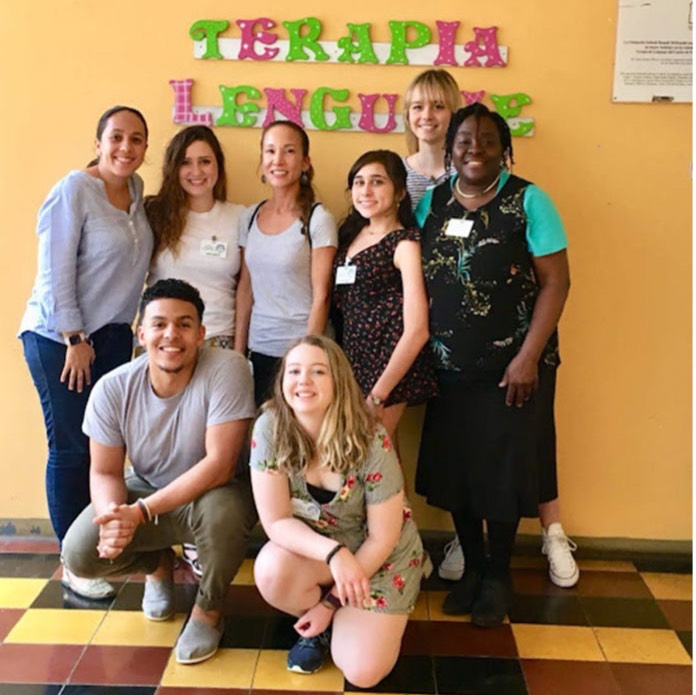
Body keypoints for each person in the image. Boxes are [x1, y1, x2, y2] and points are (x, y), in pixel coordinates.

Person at [415, 103, 572, 626]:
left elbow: (556, 282)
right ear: (450, 147)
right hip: (448, 367)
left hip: (514, 369)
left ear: (503, 147)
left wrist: (528, 356)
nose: (473, 148)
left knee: (503, 474)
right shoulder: (432, 203)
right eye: (463, 140)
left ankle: (499, 576)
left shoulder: (529, 200)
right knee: (459, 471)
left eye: (485, 139)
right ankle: (475, 568)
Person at [61, 279, 257, 664]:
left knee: (224, 514)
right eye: (159, 324)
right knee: (79, 553)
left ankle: (208, 609)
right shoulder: (112, 388)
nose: (172, 334)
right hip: (147, 488)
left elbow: (219, 465)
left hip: (214, 492)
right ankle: (158, 564)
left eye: (184, 324)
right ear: (141, 333)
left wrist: (141, 513)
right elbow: (104, 472)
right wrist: (114, 517)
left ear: (202, 333)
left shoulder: (229, 369)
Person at [19, 106, 154, 600]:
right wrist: (75, 339)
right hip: (61, 339)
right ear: (98, 141)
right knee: (73, 449)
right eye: (116, 138)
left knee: (106, 449)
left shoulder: (137, 192)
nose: (125, 148)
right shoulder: (74, 190)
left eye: (136, 140)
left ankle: (100, 546)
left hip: (114, 337)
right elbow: (54, 273)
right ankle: (73, 561)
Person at [250, 335, 428, 687]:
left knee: (362, 673)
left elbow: (383, 536)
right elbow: (276, 521)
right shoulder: (270, 427)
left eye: (318, 371)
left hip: (381, 556)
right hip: (323, 553)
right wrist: (334, 555)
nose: (304, 381)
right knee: (272, 570)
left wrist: (328, 605)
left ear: (339, 383)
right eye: (294, 371)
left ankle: (338, 611)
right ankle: (321, 627)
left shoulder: (369, 437)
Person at [145, 125, 245, 577]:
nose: (196, 171)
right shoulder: (155, 214)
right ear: (173, 168)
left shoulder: (239, 216)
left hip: (219, 344)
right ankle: (162, 554)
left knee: (210, 455)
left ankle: (199, 539)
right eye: (186, 162)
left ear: (218, 167)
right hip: (163, 348)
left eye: (205, 161)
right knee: (163, 452)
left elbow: (247, 287)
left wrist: (239, 349)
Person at [332, 150, 436, 448]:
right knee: (380, 458)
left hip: (388, 363)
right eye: (359, 182)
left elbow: (417, 329)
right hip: (354, 360)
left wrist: (379, 393)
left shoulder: (404, 244)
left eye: (377, 182)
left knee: (373, 455)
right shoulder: (351, 234)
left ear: (400, 191)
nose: (365, 191)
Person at [234, 120, 338, 405]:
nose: (277, 160)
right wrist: (238, 353)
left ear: (305, 162)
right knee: (260, 440)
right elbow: (246, 288)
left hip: (300, 351)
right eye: (270, 151)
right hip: (259, 349)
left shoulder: (319, 218)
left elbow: (322, 295)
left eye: (288, 151)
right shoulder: (250, 216)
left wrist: (307, 357)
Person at [402, 69, 462, 212]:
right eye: (418, 107)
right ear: (407, 116)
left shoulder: (470, 172)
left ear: (454, 114)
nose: (427, 116)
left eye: (438, 107)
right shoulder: (394, 173)